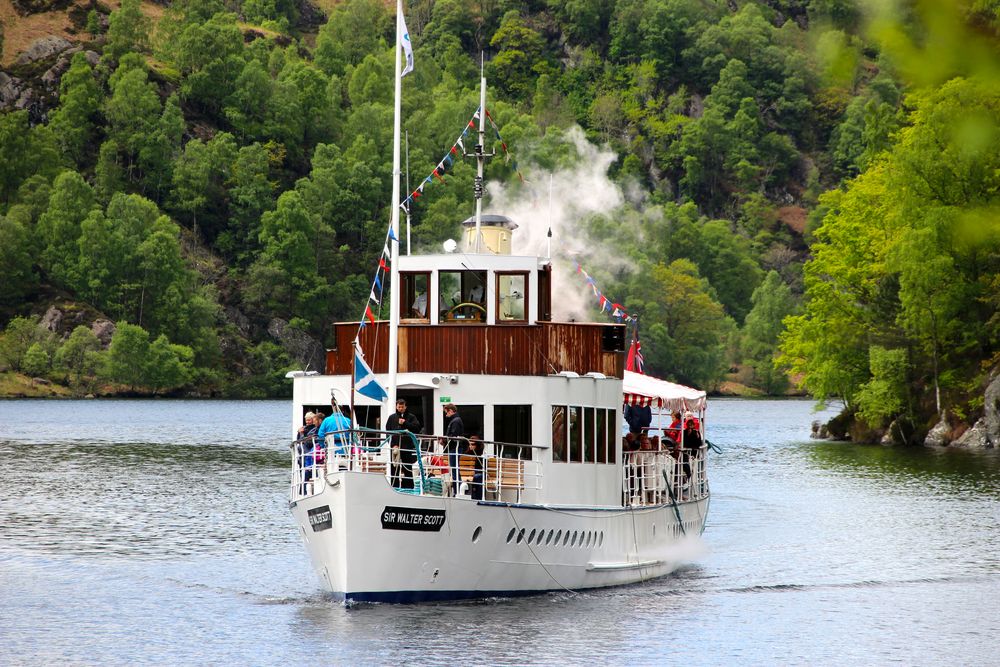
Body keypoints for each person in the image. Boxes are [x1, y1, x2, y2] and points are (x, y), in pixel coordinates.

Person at [389, 398, 421, 489]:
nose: (400, 409)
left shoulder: (411, 417)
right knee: (394, 467)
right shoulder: (392, 418)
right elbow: (388, 431)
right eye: (399, 407)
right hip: (395, 447)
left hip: (407, 447)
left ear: (405, 407)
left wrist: (405, 423)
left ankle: (408, 487)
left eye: (402, 407)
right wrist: (392, 444)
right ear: (396, 406)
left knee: (407, 468)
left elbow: (416, 428)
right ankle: (394, 486)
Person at [441, 403, 465, 495]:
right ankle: (457, 490)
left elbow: (453, 436)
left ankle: (457, 491)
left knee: (455, 470)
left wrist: (444, 440)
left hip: (454, 448)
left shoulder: (455, 421)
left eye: (446, 413)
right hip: (454, 448)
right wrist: (445, 441)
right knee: (455, 469)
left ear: (450, 411)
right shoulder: (456, 420)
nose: (446, 415)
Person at [465, 434, 485, 500]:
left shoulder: (481, 456)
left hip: (477, 475)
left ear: (478, 445)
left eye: (473, 444)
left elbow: (483, 469)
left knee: (478, 476)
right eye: (470, 444)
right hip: (466, 475)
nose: (470, 446)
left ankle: (477, 498)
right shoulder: (466, 455)